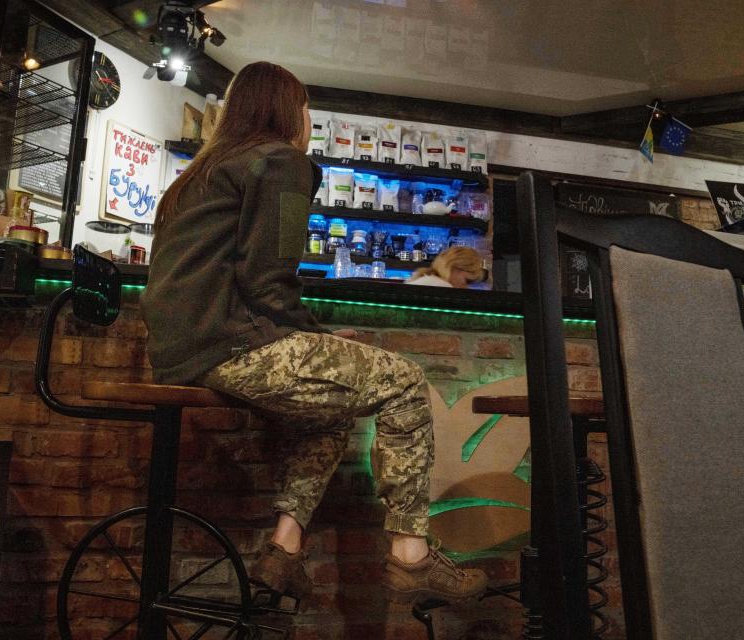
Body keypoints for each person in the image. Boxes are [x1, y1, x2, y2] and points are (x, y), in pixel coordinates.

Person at [141, 61, 487, 605]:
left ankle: (284, 548)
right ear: (288, 110)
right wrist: (313, 335)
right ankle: (411, 553)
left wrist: (317, 340)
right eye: (306, 108)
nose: (309, 119)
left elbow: (245, 279)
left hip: (186, 351)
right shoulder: (280, 162)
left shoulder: (202, 172)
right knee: (403, 381)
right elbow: (266, 278)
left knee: (333, 407)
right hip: (233, 345)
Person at [406, 245, 487, 288]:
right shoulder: (441, 286)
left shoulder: (426, 279)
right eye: (467, 281)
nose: (465, 287)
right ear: (454, 268)